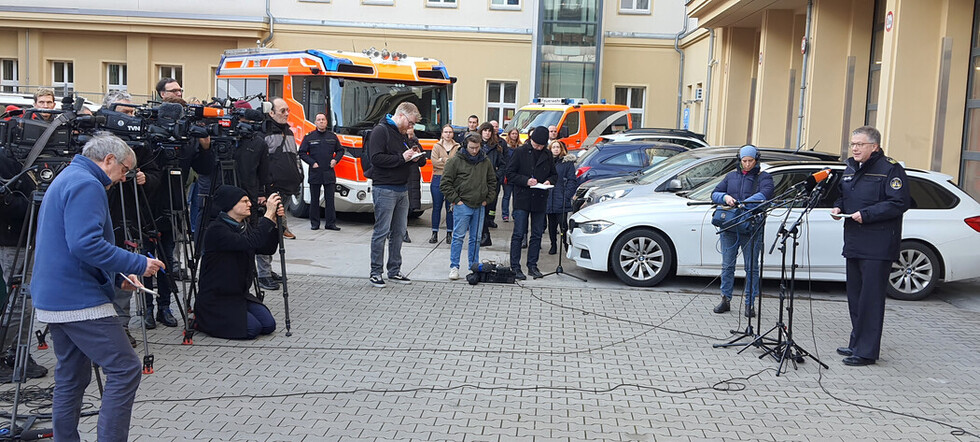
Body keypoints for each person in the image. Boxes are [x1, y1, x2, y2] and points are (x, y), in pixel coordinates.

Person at [31, 132, 165, 442]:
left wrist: (118, 276)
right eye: (124, 171)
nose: (122, 179)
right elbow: (85, 245)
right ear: (109, 160)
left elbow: (72, 246)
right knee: (125, 369)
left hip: (56, 294)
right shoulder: (87, 184)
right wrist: (136, 264)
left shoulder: (69, 176)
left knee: (71, 376)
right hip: (77, 297)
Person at [831, 126, 911, 367]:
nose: (854, 148)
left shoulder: (890, 169)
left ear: (874, 147)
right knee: (856, 297)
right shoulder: (850, 167)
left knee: (871, 299)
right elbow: (843, 196)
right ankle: (856, 343)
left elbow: (898, 203)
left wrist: (866, 214)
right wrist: (837, 207)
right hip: (854, 241)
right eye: (852, 144)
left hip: (878, 244)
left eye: (860, 144)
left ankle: (867, 352)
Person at [195, 186, 282, 340]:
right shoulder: (216, 230)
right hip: (217, 298)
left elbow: (265, 248)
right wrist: (268, 215)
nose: (249, 204)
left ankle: (237, 317)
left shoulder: (243, 227)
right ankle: (203, 321)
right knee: (252, 330)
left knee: (268, 325)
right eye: (244, 201)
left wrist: (275, 223)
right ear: (230, 205)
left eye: (248, 200)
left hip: (239, 295)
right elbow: (249, 242)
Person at [710, 145, 774, 318]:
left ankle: (749, 303)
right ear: (740, 160)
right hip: (730, 227)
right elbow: (714, 193)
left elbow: (765, 194)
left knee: (751, 267)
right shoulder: (730, 176)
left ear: (756, 160)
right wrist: (725, 198)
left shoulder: (764, 177)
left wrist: (743, 202)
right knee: (727, 265)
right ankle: (725, 299)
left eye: (750, 161)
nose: (747, 164)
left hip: (752, 228)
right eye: (744, 161)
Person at [367, 102, 426, 287]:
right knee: (381, 232)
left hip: (402, 188)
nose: (411, 127)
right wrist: (402, 157)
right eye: (410, 123)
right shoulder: (380, 131)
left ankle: (394, 270)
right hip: (384, 188)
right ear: (401, 115)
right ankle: (376, 272)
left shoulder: (401, 135)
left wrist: (413, 155)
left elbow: (404, 158)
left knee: (399, 232)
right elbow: (375, 158)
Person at [441, 134, 497, 280]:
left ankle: (474, 265)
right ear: (466, 145)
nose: (474, 151)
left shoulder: (485, 161)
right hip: (462, 205)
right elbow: (445, 183)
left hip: (479, 205)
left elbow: (492, 181)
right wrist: (456, 200)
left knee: (476, 238)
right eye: (471, 148)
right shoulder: (455, 161)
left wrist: (487, 200)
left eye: (477, 148)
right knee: (458, 237)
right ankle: (454, 266)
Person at [505, 126, 557, 280]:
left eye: (540, 146)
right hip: (523, 198)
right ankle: (515, 266)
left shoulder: (547, 154)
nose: (538, 148)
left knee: (537, 234)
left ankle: (532, 265)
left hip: (540, 199)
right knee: (519, 234)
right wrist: (526, 181)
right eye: (535, 145)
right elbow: (510, 173)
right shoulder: (521, 152)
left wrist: (549, 181)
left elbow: (554, 175)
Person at [298, 112, 344, 231]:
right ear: (315, 122)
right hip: (315, 172)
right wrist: (312, 162)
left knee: (330, 199)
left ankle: (330, 223)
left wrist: (335, 160)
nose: (321, 122)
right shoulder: (309, 137)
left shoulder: (332, 136)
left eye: (323, 119)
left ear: (326, 122)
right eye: (319, 120)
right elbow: (302, 152)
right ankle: (315, 223)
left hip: (329, 172)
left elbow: (340, 150)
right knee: (314, 199)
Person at [545, 140, 577, 255]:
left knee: (563, 225)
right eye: (553, 147)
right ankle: (553, 244)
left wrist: (567, 195)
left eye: (558, 147)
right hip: (549, 198)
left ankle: (565, 244)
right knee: (551, 224)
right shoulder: (547, 162)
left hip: (561, 197)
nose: (556, 149)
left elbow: (572, 180)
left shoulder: (566, 163)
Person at [429, 124, 460, 244]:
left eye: (450, 132)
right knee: (436, 207)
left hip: (452, 180)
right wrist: (448, 162)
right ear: (442, 133)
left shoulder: (457, 147)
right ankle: (434, 233)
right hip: (437, 178)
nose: (448, 134)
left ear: (453, 134)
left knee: (450, 208)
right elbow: (434, 162)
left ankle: (449, 234)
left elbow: (457, 164)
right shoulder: (436, 146)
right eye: (446, 132)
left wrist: (443, 160)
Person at [477, 122, 505, 246]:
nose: (487, 133)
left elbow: (503, 165)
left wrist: (497, 177)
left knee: (488, 209)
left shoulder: (496, 147)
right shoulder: (475, 145)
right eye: (485, 130)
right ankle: (483, 234)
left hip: (491, 183)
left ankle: (485, 234)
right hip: (477, 182)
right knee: (479, 209)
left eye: (489, 131)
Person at [403, 128, 424, 243]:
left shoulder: (417, 145)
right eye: (408, 134)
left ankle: (402, 231)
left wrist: (419, 156)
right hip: (403, 177)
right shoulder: (401, 143)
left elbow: (423, 163)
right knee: (401, 207)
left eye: (411, 134)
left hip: (413, 178)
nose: (410, 137)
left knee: (409, 207)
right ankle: (402, 232)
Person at [500, 128, 521, 222]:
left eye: (516, 134)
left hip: (517, 174)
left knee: (516, 196)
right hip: (507, 174)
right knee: (507, 195)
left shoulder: (520, 146)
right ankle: (505, 214)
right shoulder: (506, 147)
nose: (514, 135)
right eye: (512, 133)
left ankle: (515, 214)